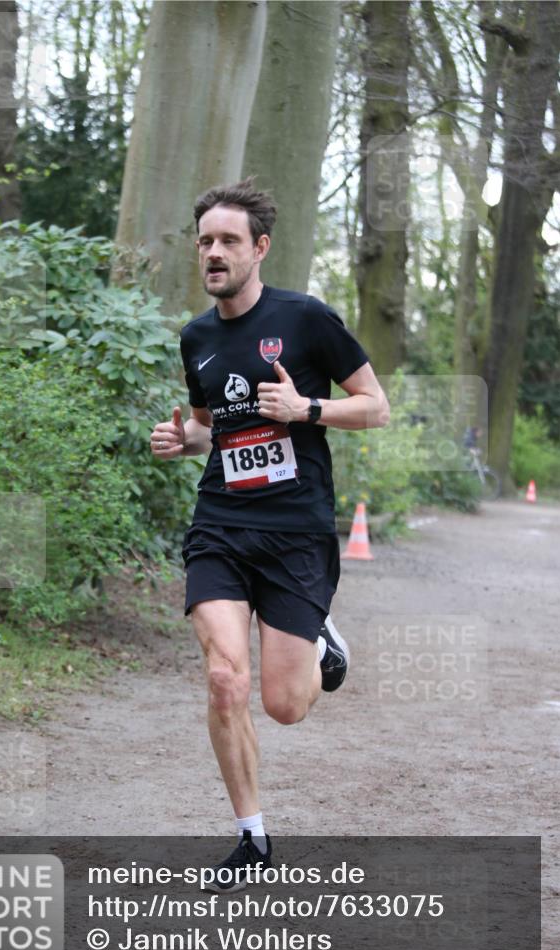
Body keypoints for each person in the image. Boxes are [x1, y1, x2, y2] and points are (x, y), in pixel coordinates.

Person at [150, 178, 389, 892]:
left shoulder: (307, 319)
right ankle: (251, 841)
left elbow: (374, 408)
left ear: (259, 248)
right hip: (221, 524)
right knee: (225, 679)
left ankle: (319, 639)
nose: (213, 253)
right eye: (204, 242)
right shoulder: (196, 337)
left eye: (227, 241)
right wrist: (179, 439)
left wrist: (304, 407)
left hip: (294, 530)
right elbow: (208, 430)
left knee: (284, 705)